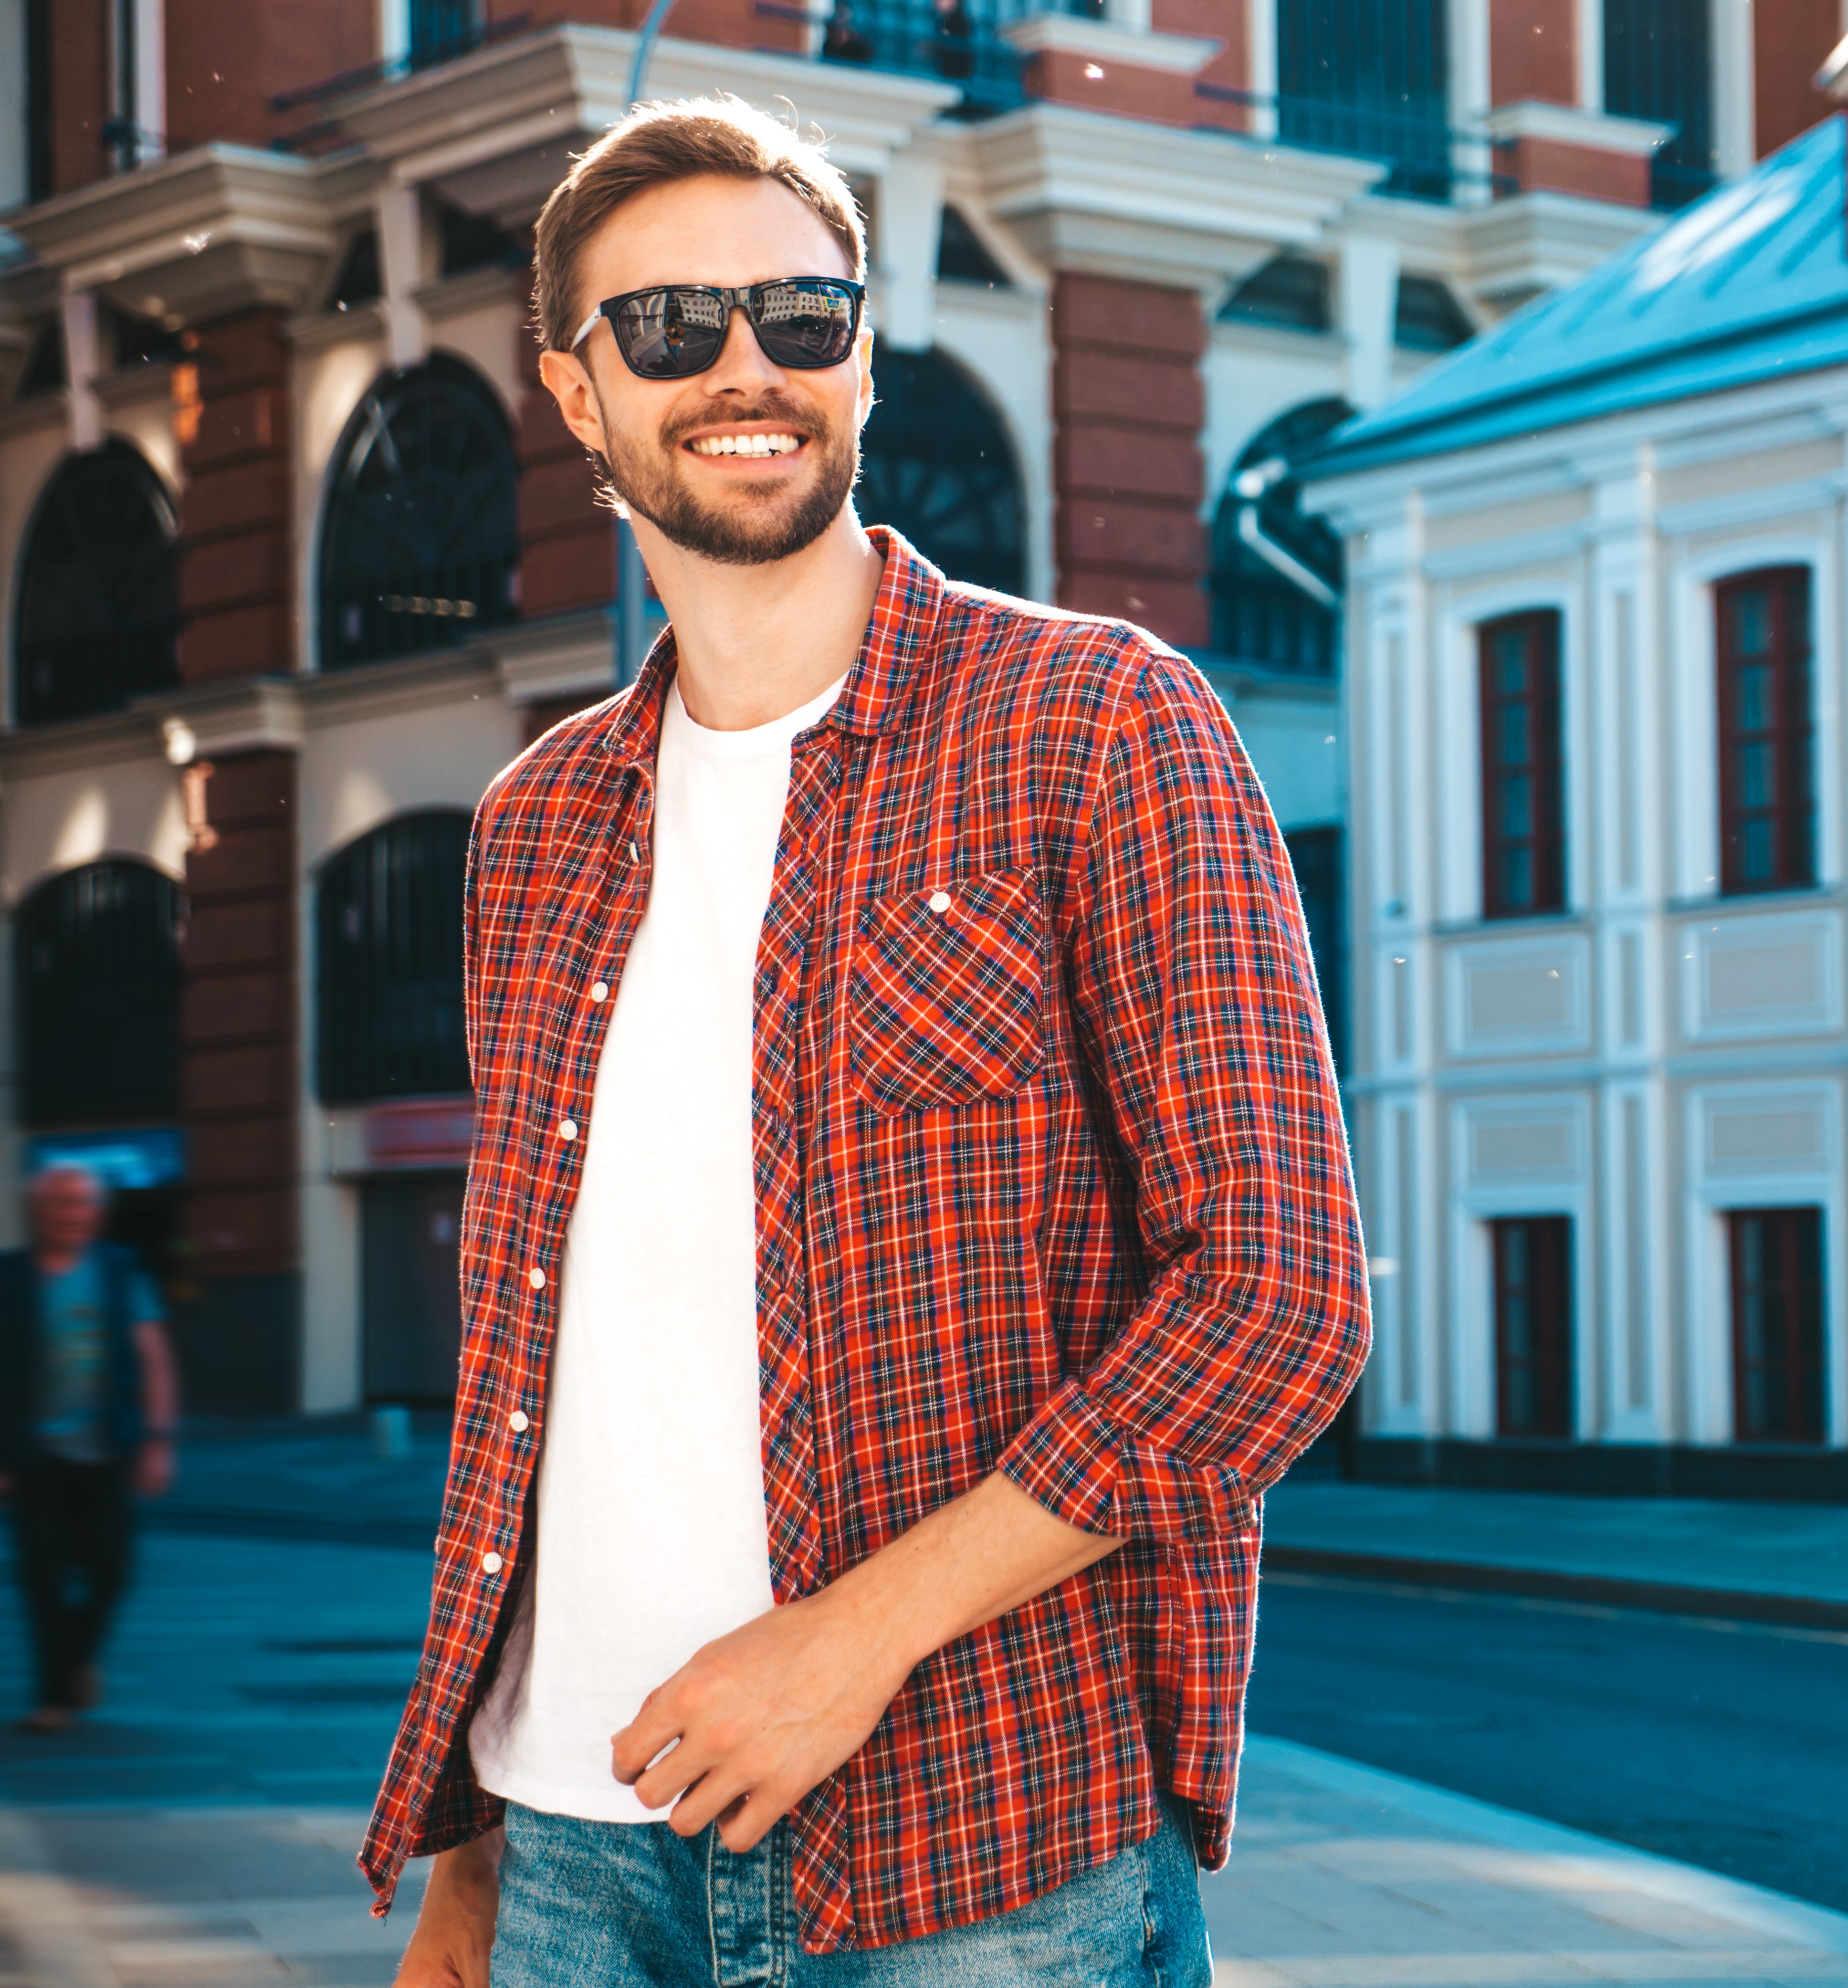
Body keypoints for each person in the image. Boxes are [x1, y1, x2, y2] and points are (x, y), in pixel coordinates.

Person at [364, 96, 1367, 1988]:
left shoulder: (1098, 728)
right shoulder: (531, 832)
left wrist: (850, 1641)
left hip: (970, 1852)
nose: (742, 369)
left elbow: (1279, 1299)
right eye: (665, 329)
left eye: (798, 316)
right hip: (573, 1857)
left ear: (862, 355)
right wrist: (473, 1850)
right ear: (577, 402)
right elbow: (543, 1361)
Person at [0, 1162, 181, 1734]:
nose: (73, 1215)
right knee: (44, 1577)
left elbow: (153, 1356)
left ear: (96, 1212)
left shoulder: (119, 1269)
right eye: (61, 1204)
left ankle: (77, 1660)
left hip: (109, 1450)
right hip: (33, 1458)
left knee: (111, 1570)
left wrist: (158, 1441)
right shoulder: (10, 1277)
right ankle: (54, 1696)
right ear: (40, 1210)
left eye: (82, 1204)